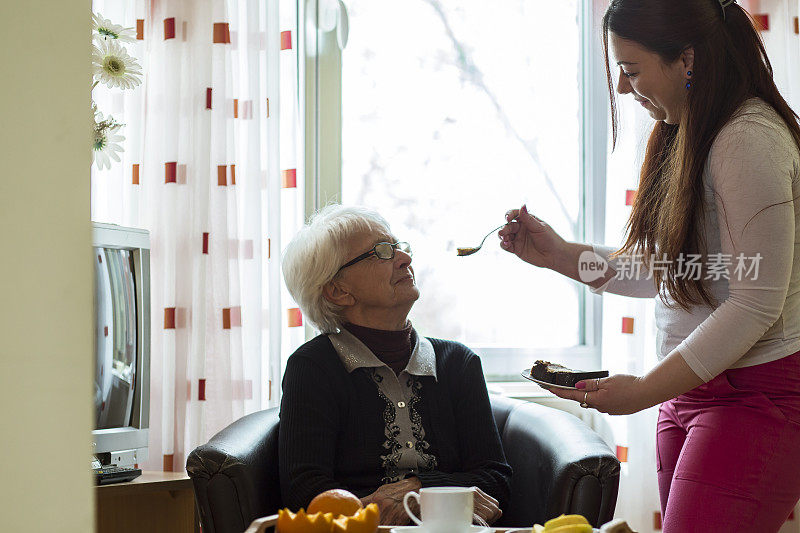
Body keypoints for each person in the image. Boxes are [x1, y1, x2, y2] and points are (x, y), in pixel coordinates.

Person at [499, 0, 800, 531]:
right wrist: (560, 256)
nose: (620, 89)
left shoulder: (747, 138)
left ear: (687, 60)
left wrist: (644, 390)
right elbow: (667, 270)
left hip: (755, 396)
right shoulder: (689, 130)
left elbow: (756, 302)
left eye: (631, 70)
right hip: (690, 391)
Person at [279, 204, 512, 526]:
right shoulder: (313, 366)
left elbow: (494, 477)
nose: (405, 258)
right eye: (381, 252)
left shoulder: (459, 363)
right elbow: (304, 490)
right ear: (338, 290)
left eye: (399, 247)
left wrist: (416, 492)